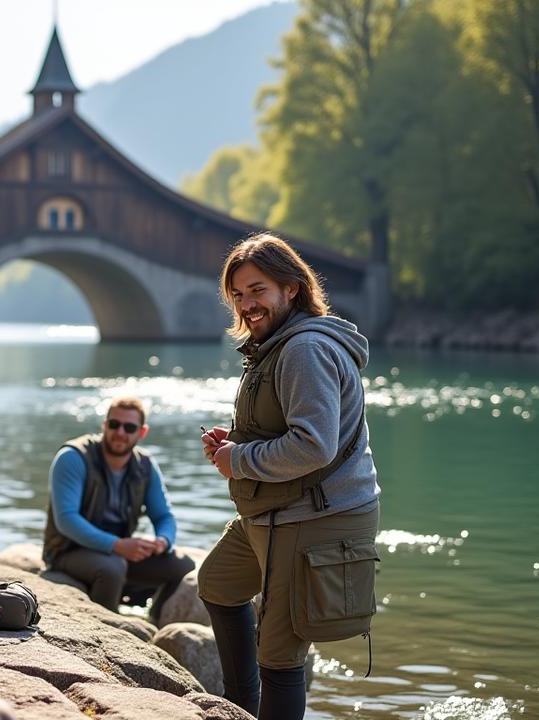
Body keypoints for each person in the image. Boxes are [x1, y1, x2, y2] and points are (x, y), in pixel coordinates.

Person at [198, 234, 381, 720]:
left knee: (280, 654)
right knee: (218, 582)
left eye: (257, 290)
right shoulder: (274, 345)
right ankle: (242, 708)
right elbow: (287, 426)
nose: (247, 304)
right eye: (237, 295)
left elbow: (313, 445)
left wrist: (240, 460)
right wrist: (237, 442)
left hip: (318, 514)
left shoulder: (304, 350)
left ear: (291, 288)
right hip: (276, 509)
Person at [41, 397, 195, 626]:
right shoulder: (73, 457)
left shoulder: (145, 465)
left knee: (183, 566)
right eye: (114, 424)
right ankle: (107, 630)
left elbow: (163, 516)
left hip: (119, 551)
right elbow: (66, 519)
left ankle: (154, 622)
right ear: (104, 425)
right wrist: (117, 545)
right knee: (112, 568)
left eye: (129, 427)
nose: (120, 432)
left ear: (141, 432)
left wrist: (163, 541)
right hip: (68, 550)